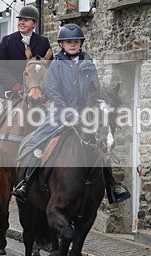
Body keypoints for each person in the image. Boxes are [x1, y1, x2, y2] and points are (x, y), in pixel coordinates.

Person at [11, 23, 129, 204]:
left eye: (75, 42)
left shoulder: (89, 64)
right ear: (62, 45)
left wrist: (92, 109)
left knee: (103, 147)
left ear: (80, 44)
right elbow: (52, 90)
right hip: (59, 113)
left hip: (86, 114)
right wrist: (67, 111)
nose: (72, 45)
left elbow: (95, 90)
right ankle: (26, 184)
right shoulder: (57, 64)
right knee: (38, 143)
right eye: (68, 42)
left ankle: (112, 187)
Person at [0, 5, 51, 157]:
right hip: (7, 89)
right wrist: (15, 85)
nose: (21, 22)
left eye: (26, 20)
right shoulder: (7, 40)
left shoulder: (43, 42)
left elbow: (48, 68)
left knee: (52, 114)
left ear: (34, 24)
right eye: (20, 20)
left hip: (35, 90)